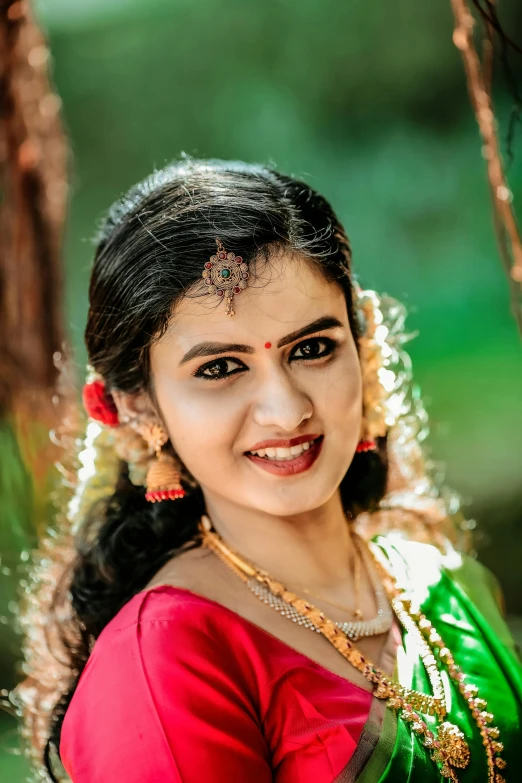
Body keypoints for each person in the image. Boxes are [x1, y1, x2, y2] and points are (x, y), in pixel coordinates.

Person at [13, 158, 522, 782]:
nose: (286, 411)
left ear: (363, 351)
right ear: (137, 406)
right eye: (220, 369)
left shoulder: (441, 581)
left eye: (312, 349)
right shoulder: (169, 656)